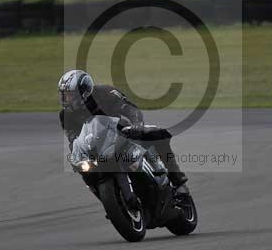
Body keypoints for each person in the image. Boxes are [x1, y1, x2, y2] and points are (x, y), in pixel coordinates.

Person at [58, 69, 189, 190]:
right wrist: (76, 155)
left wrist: (136, 124)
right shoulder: (65, 115)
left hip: (122, 132)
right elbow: (73, 138)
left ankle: (178, 180)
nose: (66, 99)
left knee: (158, 133)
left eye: (70, 95)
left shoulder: (105, 92)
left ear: (84, 91)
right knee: (85, 171)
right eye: (64, 95)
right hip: (96, 147)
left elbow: (129, 108)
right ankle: (109, 203)